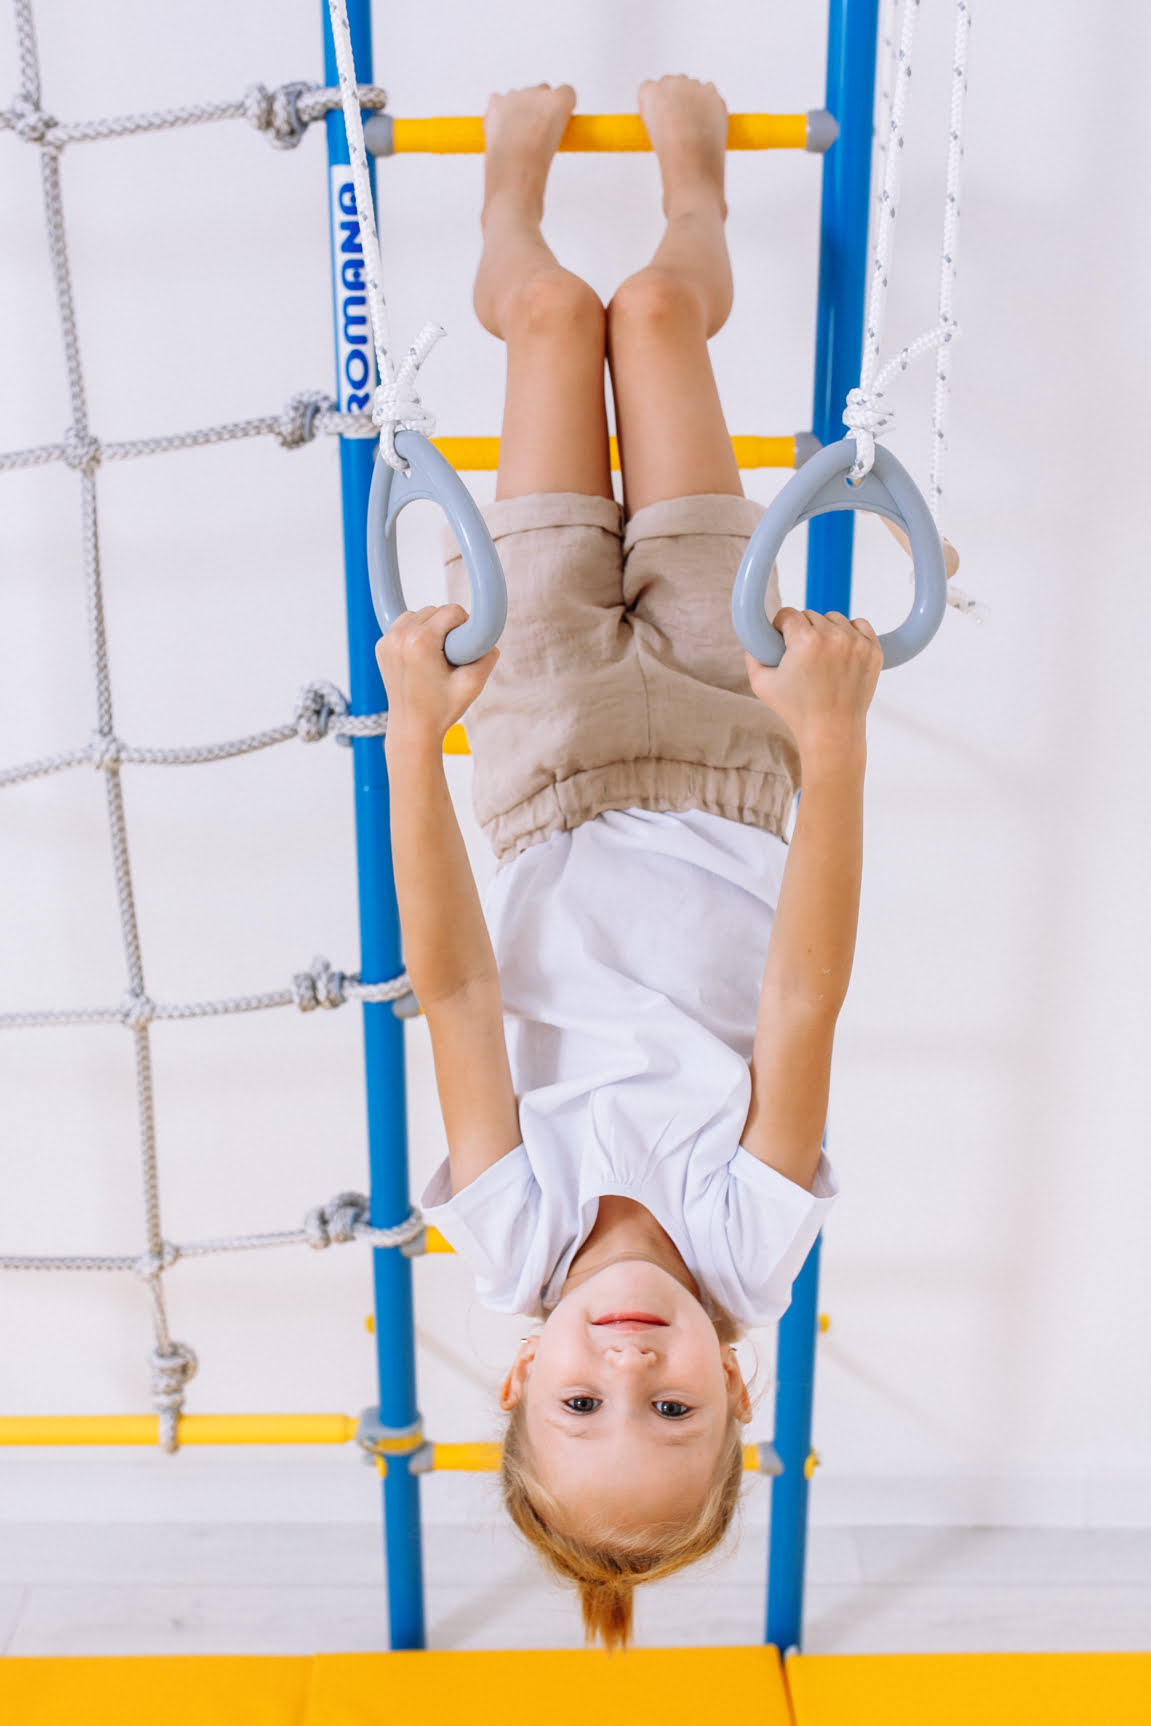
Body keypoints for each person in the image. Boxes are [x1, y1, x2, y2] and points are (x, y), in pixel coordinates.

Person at [378, 77, 884, 1649]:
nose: (630, 1361)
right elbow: (799, 1000)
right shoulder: (748, 1249)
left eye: (584, 1401)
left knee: (548, 318)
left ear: (519, 1374)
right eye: (672, 1407)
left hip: (545, 749)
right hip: (732, 745)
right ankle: (698, 203)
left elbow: (456, 988)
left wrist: (415, 736)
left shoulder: (515, 1241)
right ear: (734, 1382)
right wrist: (832, 744)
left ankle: (505, 211)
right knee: (657, 311)